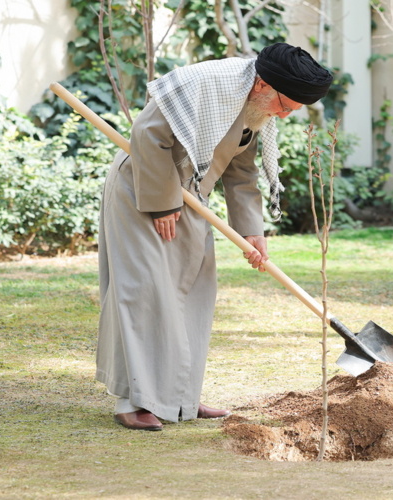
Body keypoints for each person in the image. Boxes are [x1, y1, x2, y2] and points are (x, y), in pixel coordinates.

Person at [95, 43, 333, 431]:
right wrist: (161, 203)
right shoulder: (206, 82)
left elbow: (241, 172)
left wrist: (252, 231)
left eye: (290, 111)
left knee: (193, 292)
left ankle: (179, 398)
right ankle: (134, 400)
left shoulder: (254, 110)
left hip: (191, 198)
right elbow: (147, 133)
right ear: (262, 85)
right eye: (285, 106)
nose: (283, 115)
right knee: (144, 292)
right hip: (143, 191)